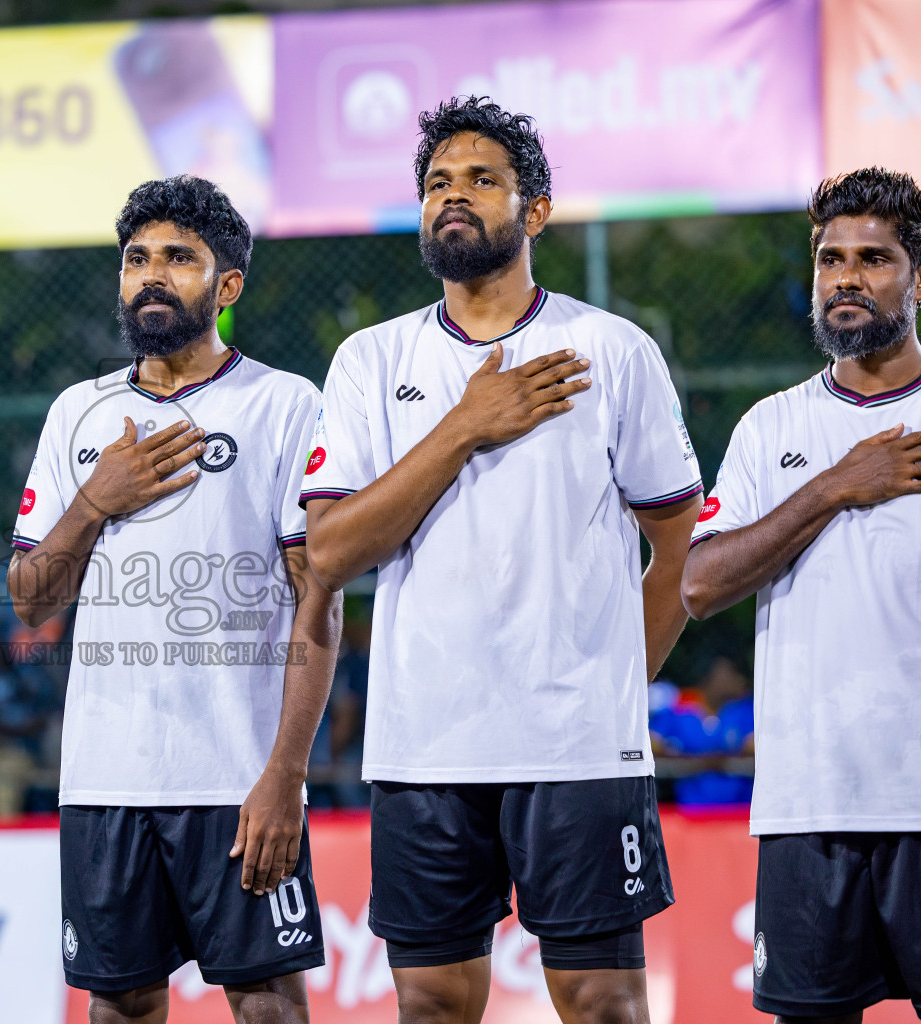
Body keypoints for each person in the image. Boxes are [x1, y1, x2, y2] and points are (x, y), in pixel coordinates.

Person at [303, 97, 702, 1024]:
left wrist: (609, 684)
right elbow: (330, 552)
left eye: (483, 179)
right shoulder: (372, 360)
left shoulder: (610, 349)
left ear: (537, 209)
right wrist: (466, 427)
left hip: (580, 752)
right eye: (439, 182)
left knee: (604, 1001)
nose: (456, 196)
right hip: (424, 750)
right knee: (435, 1006)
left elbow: (681, 546)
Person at [7, 175, 340, 1024]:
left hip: (238, 776)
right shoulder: (77, 415)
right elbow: (32, 602)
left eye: (178, 259)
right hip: (104, 779)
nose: (151, 275)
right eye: (136, 259)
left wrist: (285, 778)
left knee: (267, 1002)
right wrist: (95, 499)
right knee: (118, 1006)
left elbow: (320, 602)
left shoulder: (283, 404)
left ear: (226, 285)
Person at [681, 167, 921, 1024]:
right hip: (807, 805)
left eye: (873, 259)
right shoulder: (771, 428)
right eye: (830, 259)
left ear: (915, 279)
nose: (846, 277)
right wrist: (836, 486)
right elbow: (702, 584)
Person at [648, 656, 754, 806]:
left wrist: (724, 759)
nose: (739, 680)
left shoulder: (742, 711)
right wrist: (685, 758)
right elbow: (650, 743)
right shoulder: (679, 711)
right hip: (690, 812)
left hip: (739, 812)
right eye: (730, 673)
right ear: (709, 677)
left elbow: (756, 745)